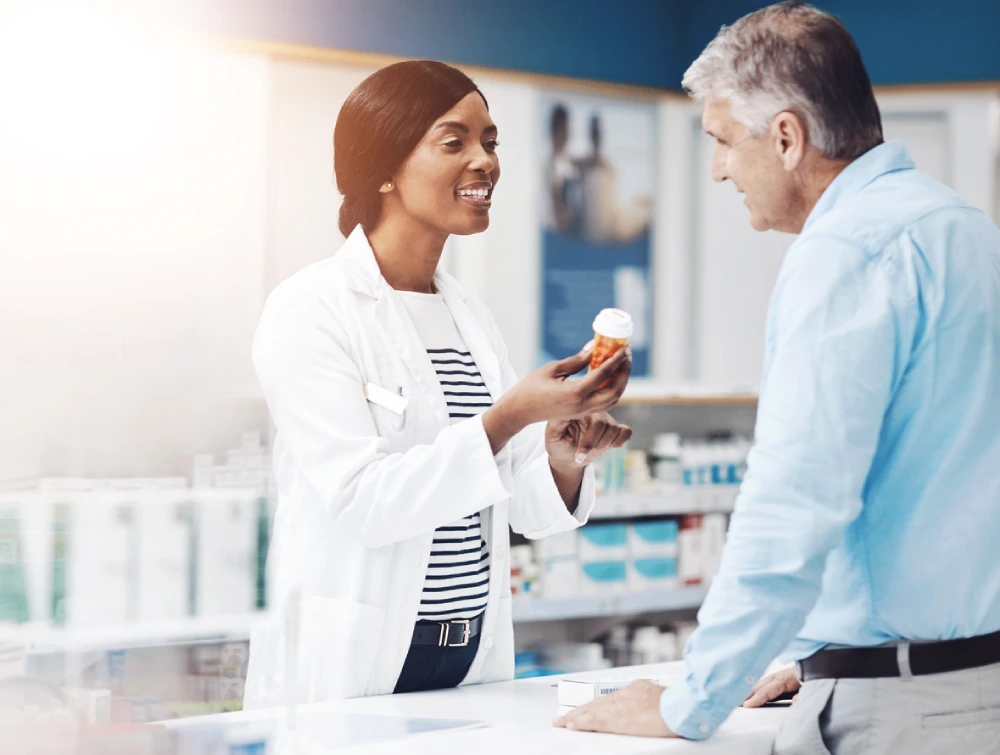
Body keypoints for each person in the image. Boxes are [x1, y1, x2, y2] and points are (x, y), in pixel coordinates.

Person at [555, 2, 1000, 751]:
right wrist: (820, 653)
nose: (719, 167)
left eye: (724, 140)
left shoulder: (844, 252)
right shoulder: (969, 232)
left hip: (892, 713)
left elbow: (794, 503)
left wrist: (690, 699)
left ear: (787, 137)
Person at [244, 60, 633, 707]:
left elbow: (519, 507)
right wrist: (508, 416)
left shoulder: (470, 319)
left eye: (491, 141)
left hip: (469, 659)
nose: (485, 162)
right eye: (454, 142)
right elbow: (365, 501)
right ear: (386, 168)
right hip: (357, 667)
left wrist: (563, 457)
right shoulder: (310, 309)